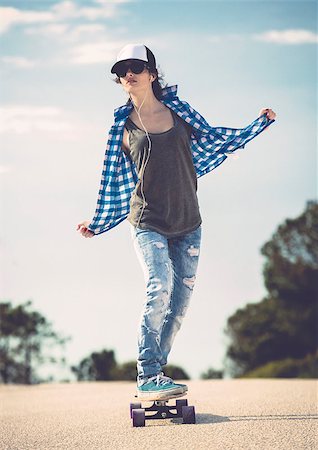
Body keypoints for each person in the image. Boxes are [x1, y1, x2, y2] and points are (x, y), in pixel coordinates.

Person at [77, 43, 277, 400]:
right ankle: (148, 371)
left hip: (188, 223)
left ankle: (158, 371)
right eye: (122, 70)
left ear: (153, 74)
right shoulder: (121, 129)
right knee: (160, 286)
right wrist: (98, 222)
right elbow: (113, 183)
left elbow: (217, 139)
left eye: (136, 66)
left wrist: (258, 124)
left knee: (179, 305)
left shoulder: (180, 113)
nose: (128, 74)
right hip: (147, 221)